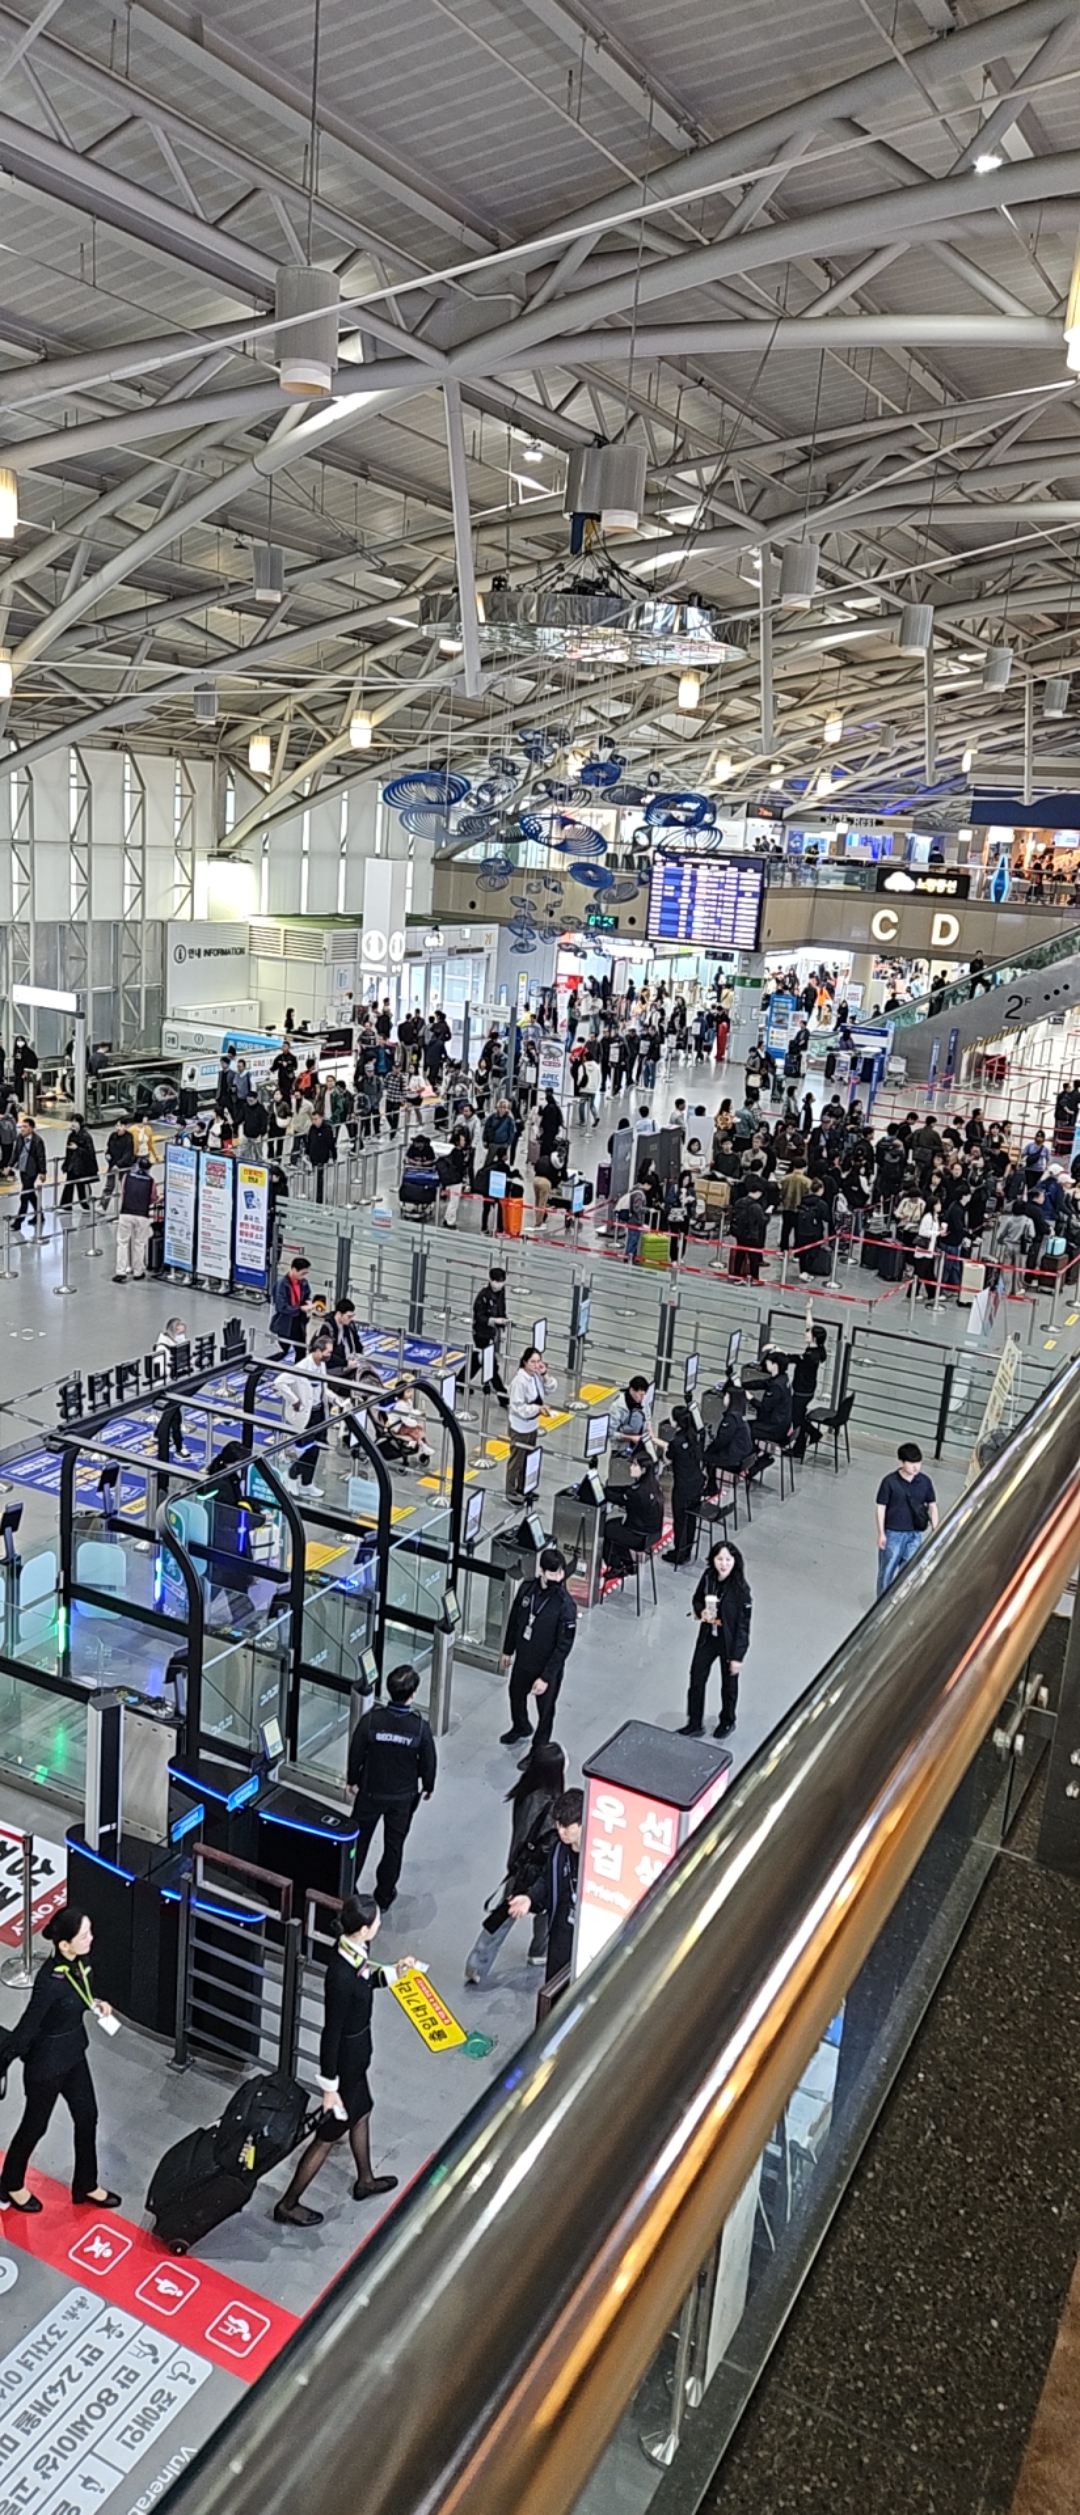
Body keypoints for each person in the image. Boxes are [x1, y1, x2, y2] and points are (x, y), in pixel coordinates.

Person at [271, 1894, 413, 2227]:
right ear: (363, 1929)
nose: (380, 1925)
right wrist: (329, 2088)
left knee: (362, 2110)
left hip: (357, 2054)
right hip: (347, 2062)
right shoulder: (340, 1975)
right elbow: (330, 2034)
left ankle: (365, 2179)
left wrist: (395, 1972)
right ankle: (288, 2204)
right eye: (376, 1921)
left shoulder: (354, 1950)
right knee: (328, 2134)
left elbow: (368, 1980)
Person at [0, 1907, 120, 2213]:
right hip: (46, 2065)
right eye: (84, 1935)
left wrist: (95, 2003)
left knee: (87, 2116)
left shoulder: (81, 1962)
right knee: (35, 2126)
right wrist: (5, 2060)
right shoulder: (48, 1982)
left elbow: (78, 1995)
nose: (91, 1938)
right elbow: (28, 2026)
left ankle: (86, 2184)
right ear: (64, 1944)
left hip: (73, 2053)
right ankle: (10, 2183)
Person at [463, 1740, 566, 1984]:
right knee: (543, 1912)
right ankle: (538, 1951)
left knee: (504, 1914)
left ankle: (478, 1965)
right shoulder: (549, 1805)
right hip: (537, 1870)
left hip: (519, 1865)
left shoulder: (525, 1791)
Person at [347, 1664, 437, 1911]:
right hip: (402, 1798)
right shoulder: (419, 1727)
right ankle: (384, 1894)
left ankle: (347, 1887)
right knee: (393, 1847)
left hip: (370, 1792)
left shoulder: (372, 1720)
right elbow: (428, 1760)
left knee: (358, 1842)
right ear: (413, 1694)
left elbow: (356, 1752)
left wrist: (352, 1780)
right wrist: (428, 1785)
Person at [508, 1788, 583, 1998]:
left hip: (585, 1937)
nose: (561, 1831)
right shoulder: (559, 1850)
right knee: (555, 1991)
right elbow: (547, 1879)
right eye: (559, 1825)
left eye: (567, 1827)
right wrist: (529, 1898)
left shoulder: (598, 1858)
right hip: (561, 1935)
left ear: (582, 1824)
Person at [499, 1547, 578, 1746]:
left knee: (546, 1710)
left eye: (560, 1572)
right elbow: (514, 1620)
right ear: (541, 1571)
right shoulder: (527, 1589)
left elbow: (564, 1645)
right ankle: (521, 1726)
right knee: (515, 1694)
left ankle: (539, 1747)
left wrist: (546, 1677)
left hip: (546, 1666)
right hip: (524, 1660)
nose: (558, 1577)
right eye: (553, 1573)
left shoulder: (565, 1604)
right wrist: (508, 1650)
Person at [680, 1540, 752, 1740]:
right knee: (696, 1678)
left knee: (728, 1685)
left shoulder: (741, 1590)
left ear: (735, 1561)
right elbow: (697, 1599)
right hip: (708, 1638)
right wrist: (700, 1611)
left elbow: (743, 1627)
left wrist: (738, 1656)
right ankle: (694, 1723)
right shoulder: (708, 1577)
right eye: (720, 1559)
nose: (724, 1564)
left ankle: (727, 1720)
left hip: (728, 1643)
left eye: (728, 1559)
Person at [875, 1442, 938, 1593]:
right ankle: (882, 1601)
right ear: (902, 1462)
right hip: (893, 1533)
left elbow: (932, 1506)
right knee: (887, 1570)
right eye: (911, 1463)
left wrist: (936, 1529)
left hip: (915, 1534)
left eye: (918, 1463)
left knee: (910, 1571)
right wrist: (882, 1533)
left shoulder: (925, 1481)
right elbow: (881, 1507)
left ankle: (901, 1600)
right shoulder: (890, 1482)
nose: (916, 1467)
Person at [281, 1327, 333, 1495]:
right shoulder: (302, 1366)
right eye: (327, 1352)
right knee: (307, 1448)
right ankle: (292, 1474)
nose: (329, 1355)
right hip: (305, 1414)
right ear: (318, 1351)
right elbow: (279, 1382)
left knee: (315, 1448)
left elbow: (323, 1387)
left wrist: (336, 1399)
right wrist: (294, 1400)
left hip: (318, 1412)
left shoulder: (322, 1365)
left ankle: (306, 1482)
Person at [602, 1449, 664, 1576]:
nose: (631, 1467)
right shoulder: (652, 1485)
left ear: (643, 1470)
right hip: (654, 1533)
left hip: (640, 1536)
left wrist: (600, 1492)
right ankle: (627, 1562)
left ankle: (616, 1566)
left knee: (607, 1529)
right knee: (617, 1527)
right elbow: (626, 1490)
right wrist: (608, 1489)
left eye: (635, 1465)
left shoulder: (638, 1494)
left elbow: (618, 1498)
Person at [506, 1344, 554, 1496]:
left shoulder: (537, 1376)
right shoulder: (519, 1381)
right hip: (520, 1427)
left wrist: (544, 1374)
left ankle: (523, 1487)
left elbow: (551, 1388)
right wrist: (537, 1409)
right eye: (533, 1362)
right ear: (525, 1362)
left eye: (538, 1361)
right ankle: (510, 1492)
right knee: (516, 1462)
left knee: (528, 1460)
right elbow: (518, 1407)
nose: (536, 1365)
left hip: (532, 1425)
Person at [663, 1404, 706, 1566]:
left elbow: (668, 1459)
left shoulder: (677, 1441)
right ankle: (687, 1549)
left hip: (683, 1487)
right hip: (697, 1482)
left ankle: (679, 1553)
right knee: (691, 1518)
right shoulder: (694, 1435)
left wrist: (665, 1447)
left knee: (680, 1520)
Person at [113, 1155, 156, 1280]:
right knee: (139, 1243)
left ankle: (120, 1271)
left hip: (126, 1212)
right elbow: (153, 1198)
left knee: (122, 1243)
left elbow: (123, 1193)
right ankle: (138, 1272)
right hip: (142, 1215)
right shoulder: (151, 1181)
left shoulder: (127, 1176)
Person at [471, 1268, 508, 1400]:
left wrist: (503, 1320)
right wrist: (494, 1320)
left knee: (477, 1360)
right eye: (496, 1282)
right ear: (490, 1280)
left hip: (492, 1333)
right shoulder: (483, 1296)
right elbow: (479, 1316)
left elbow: (501, 1308)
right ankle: (502, 1395)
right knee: (490, 1364)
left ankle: (460, 1381)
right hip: (481, 1333)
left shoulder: (501, 1292)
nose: (499, 1285)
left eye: (501, 1282)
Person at [270, 1253, 312, 1358]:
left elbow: (306, 1295)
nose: (304, 1276)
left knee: (301, 1350)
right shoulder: (282, 1285)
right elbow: (281, 1307)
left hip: (298, 1321)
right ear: (294, 1269)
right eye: (302, 1273)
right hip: (285, 1322)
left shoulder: (303, 1283)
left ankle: (298, 1368)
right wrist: (300, 1308)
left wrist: (308, 1301)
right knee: (281, 1351)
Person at [750, 1354, 793, 1446]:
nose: (766, 1364)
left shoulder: (776, 1386)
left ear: (775, 1365)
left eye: (768, 1363)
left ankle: (752, 1453)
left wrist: (750, 1398)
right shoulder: (783, 1378)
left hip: (774, 1429)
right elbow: (764, 1383)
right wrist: (742, 1385)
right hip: (782, 1424)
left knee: (744, 1429)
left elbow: (764, 1408)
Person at [13, 1116, 46, 1232]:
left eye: (25, 1127)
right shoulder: (20, 1138)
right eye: (22, 1126)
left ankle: (18, 1221)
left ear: (31, 1129)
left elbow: (41, 1157)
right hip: (22, 1169)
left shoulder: (37, 1141)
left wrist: (43, 1172)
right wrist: (10, 1165)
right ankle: (40, 1215)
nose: (22, 1129)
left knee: (24, 1195)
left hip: (31, 1171)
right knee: (31, 1193)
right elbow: (16, 1153)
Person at [610, 1374, 654, 1457]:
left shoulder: (642, 1400)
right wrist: (631, 1438)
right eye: (641, 1395)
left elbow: (647, 1416)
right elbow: (611, 1433)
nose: (643, 1398)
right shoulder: (618, 1406)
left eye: (644, 1395)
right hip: (621, 1448)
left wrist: (649, 1428)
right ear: (632, 1390)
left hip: (639, 1443)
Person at [100, 1115, 135, 1213]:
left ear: (125, 1126)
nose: (118, 1128)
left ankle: (126, 1207)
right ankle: (103, 1206)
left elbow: (128, 1154)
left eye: (120, 1126)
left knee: (125, 1188)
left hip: (124, 1167)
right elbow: (108, 1148)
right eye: (117, 1125)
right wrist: (107, 1155)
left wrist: (118, 1164)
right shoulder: (113, 1136)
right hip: (112, 1165)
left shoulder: (128, 1138)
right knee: (109, 1186)